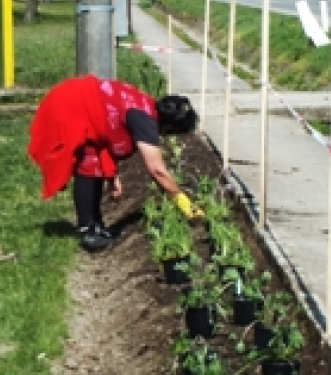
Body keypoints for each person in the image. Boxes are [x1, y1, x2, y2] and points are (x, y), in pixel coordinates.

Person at [27, 74, 202, 252]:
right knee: (89, 165)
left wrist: (112, 175)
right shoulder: (144, 121)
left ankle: (95, 226)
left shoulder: (146, 106)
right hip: (69, 105)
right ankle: (88, 231)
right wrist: (185, 204)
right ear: (169, 127)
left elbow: (108, 132)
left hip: (77, 99)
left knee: (92, 162)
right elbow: (157, 171)